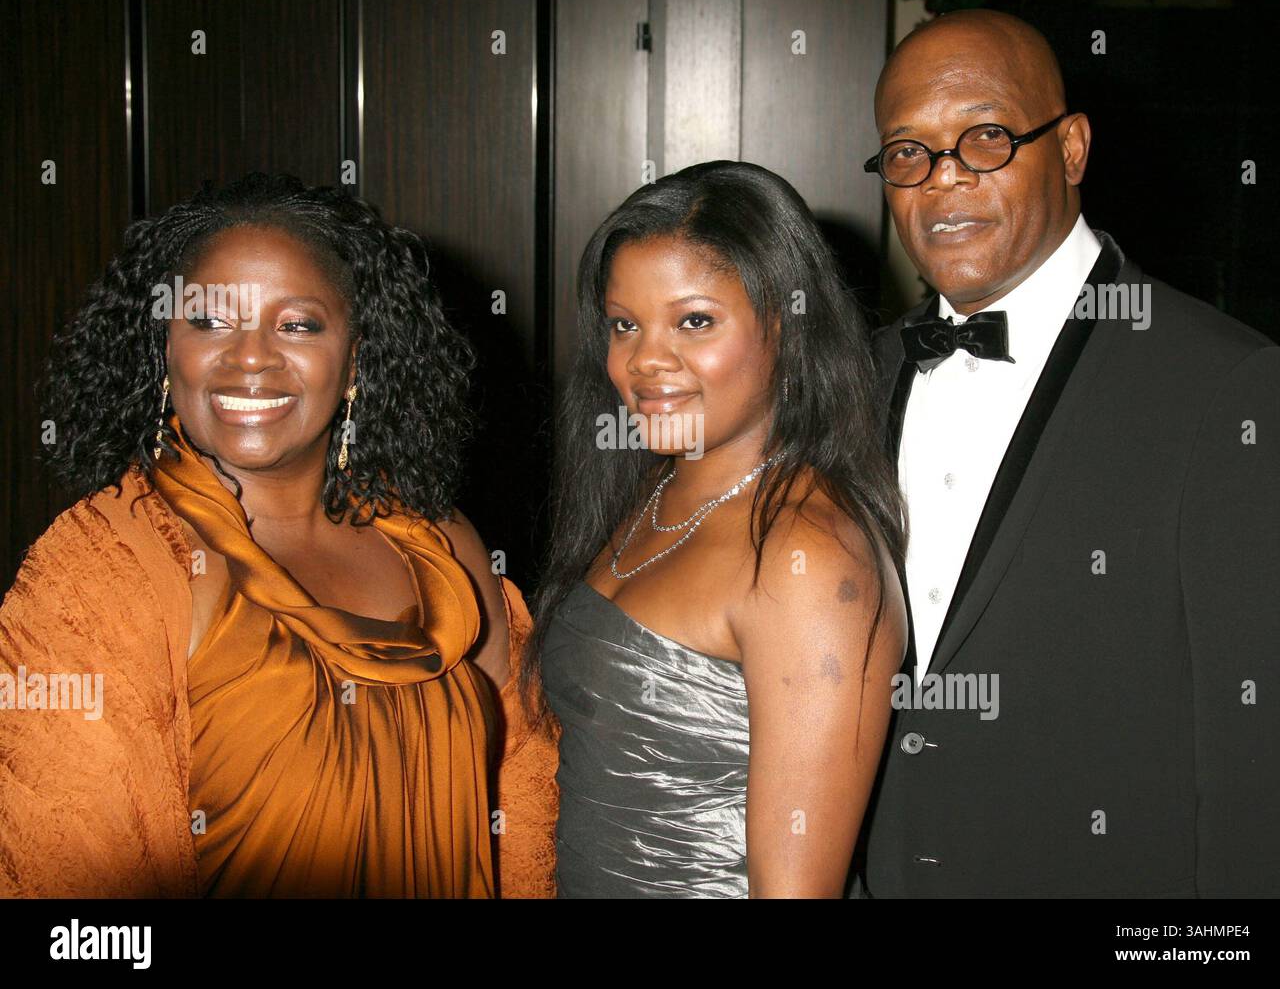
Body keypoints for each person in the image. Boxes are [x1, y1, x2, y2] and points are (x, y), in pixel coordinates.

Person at [0, 172, 557, 898]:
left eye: (296, 325)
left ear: (356, 358)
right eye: (209, 321)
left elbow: (524, 818)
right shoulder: (104, 566)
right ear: (163, 348)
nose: (251, 357)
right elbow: (68, 891)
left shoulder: (443, 545)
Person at [859, 9, 1280, 897]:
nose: (943, 179)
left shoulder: (1230, 388)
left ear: (1070, 149)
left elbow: (1265, 775)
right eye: (908, 151)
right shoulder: (855, 375)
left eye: (985, 137)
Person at [523, 160, 908, 898]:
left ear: (787, 327)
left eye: (694, 321)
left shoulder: (808, 557)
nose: (644, 361)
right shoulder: (651, 490)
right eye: (624, 324)